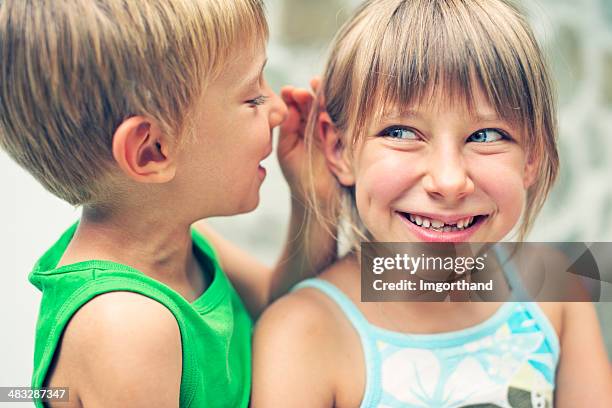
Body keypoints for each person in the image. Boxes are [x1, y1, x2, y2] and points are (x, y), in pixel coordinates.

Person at [252, 0, 612, 407]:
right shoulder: (303, 336)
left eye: (486, 136)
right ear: (338, 149)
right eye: (402, 132)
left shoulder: (555, 291)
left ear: (532, 157)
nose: (449, 181)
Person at [0, 0, 333, 407]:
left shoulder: (177, 242)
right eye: (252, 98)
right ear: (152, 151)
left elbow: (282, 306)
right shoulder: (125, 327)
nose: (278, 109)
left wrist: (312, 197)